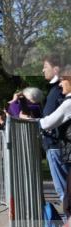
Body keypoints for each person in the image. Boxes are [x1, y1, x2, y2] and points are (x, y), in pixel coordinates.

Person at [40, 54, 68, 208]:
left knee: (64, 192)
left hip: (56, 145)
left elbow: (48, 121)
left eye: (45, 66)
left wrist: (34, 122)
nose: (43, 70)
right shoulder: (56, 90)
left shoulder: (59, 91)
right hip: (56, 145)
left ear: (56, 69)